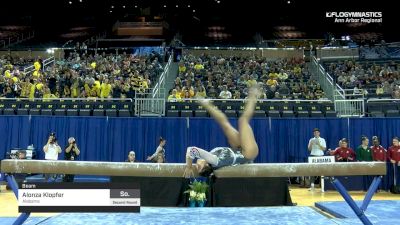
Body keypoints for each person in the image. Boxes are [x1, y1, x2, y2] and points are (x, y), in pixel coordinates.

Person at [183, 88, 259, 178]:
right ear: (205, 166)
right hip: (247, 154)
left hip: (238, 149)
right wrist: (188, 167)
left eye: (196, 166)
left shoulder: (211, 157)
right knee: (243, 121)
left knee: (225, 125)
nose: (196, 164)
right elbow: (192, 150)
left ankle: (207, 104)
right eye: (198, 166)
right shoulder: (214, 161)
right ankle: (254, 96)